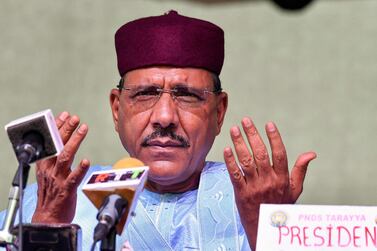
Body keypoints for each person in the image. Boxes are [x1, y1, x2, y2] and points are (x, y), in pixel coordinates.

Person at [0, 10, 316, 250]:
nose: (164, 117)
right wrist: (48, 225)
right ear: (116, 107)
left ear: (219, 112)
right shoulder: (47, 201)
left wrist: (272, 232)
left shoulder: (257, 203)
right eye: (145, 94)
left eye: (187, 95)